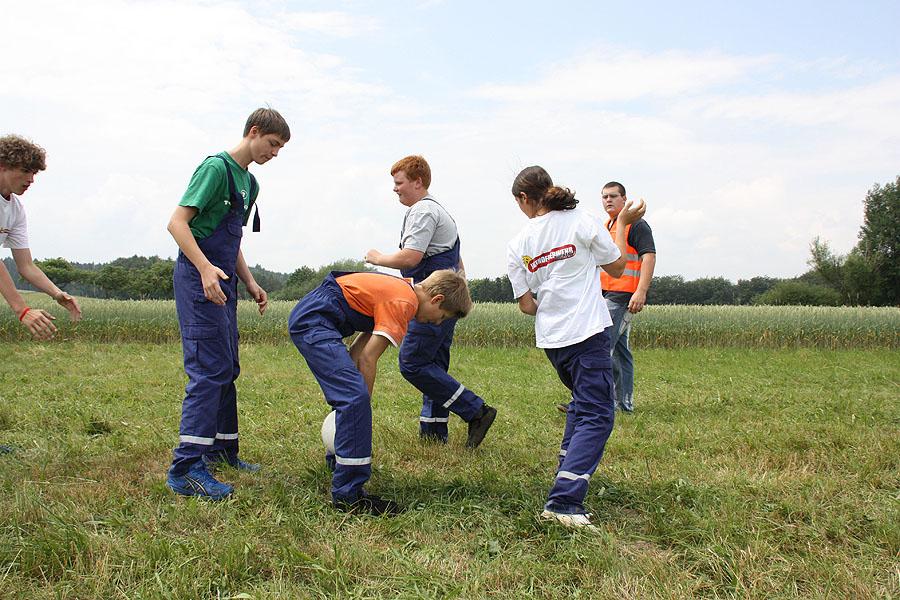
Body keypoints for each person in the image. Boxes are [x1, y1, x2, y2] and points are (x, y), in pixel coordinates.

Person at [506, 166, 644, 530]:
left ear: (524, 198)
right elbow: (617, 267)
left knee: (583, 403)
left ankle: (567, 469)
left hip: (553, 341)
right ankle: (564, 502)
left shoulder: (517, 244)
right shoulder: (581, 221)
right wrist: (622, 223)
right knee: (599, 413)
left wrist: (551, 303)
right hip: (586, 332)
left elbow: (526, 305)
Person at [165, 108, 289, 500]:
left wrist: (249, 281)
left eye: (280, 149)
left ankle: (221, 450)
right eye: (272, 144)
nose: (274, 154)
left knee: (227, 366)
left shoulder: (250, 183)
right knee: (208, 369)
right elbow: (177, 223)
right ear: (254, 132)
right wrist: (204, 269)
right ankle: (186, 470)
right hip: (198, 278)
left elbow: (232, 239)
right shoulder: (215, 169)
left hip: (225, 281)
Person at [288, 269, 473, 515]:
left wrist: (354, 397)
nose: (437, 323)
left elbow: (358, 350)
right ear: (437, 299)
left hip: (313, 317)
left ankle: (339, 460)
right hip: (314, 322)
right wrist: (361, 407)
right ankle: (348, 496)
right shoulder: (404, 302)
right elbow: (368, 359)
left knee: (351, 396)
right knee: (355, 399)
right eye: (442, 316)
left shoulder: (401, 289)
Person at [365, 155, 496, 447]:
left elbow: (410, 257)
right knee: (434, 363)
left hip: (430, 302)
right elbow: (458, 262)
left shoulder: (423, 211)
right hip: (446, 302)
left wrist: (377, 258)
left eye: (399, 182)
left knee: (412, 362)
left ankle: (476, 410)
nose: (395, 188)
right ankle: (434, 432)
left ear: (418, 182)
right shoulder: (440, 210)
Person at [0, 134, 83, 454]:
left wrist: (57, 294)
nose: (31, 179)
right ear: (3, 166)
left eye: (35, 173)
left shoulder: (15, 209)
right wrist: (22, 309)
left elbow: (25, 265)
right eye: (25, 171)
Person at [599, 181, 656, 413]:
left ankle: (596, 402)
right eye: (604, 197)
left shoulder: (637, 224)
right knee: (620, 352)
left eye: (613, 196)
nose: (608, 200)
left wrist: (641, 291)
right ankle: (623, 404)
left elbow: (648, 257)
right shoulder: (608, 225)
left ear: (624, 199)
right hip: (606, 292)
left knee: (602, 347)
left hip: (623, 295)